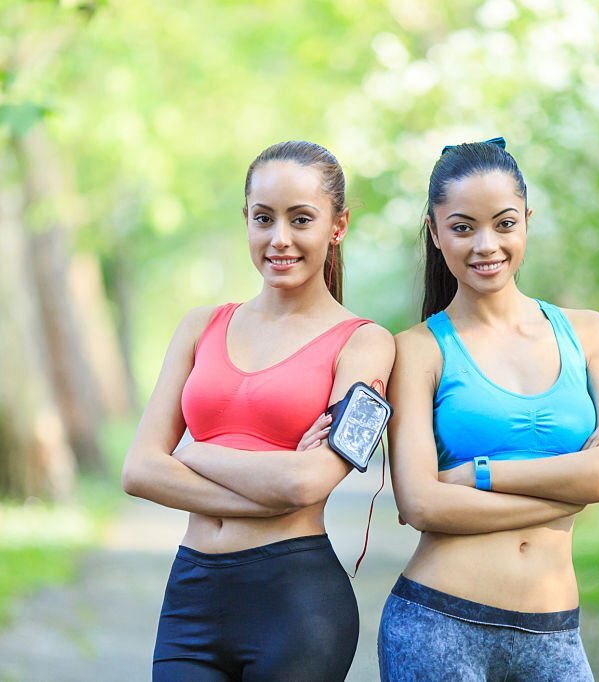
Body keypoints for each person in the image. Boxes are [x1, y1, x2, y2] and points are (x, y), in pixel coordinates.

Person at [121, 140, 395, 682]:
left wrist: (195, 452)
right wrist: (274, 484)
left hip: (296, 605)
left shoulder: (368, 345)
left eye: (301, 219)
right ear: (245, 219)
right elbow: (139, 470)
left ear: (337, 226)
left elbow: (307, 485)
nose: (280, 239)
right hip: (192, 597)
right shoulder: (200, 326)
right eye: (263, 218)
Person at [378, 138, 599, 681]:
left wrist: (482, 474)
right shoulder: (417, 349)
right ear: (434, 231)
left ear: (527, 218)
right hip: (437, 625)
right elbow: (423, 504)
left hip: (555, 633)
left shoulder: (588, 332)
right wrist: (570, 497)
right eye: (462, 227)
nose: (485, 245)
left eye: (503, 223)